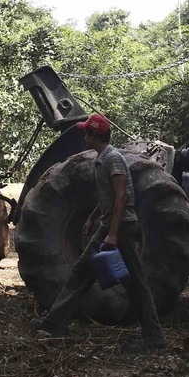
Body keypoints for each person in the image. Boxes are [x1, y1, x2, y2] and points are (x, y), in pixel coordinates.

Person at [31, 113, 168, 352]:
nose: (84, 136)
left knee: (137, 281)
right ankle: (54, 324)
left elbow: (122, 196)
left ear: (94, 135)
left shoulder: (113, 160)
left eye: (86, 132)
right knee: (81, 273)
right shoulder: (102, 159)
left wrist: (113, 234)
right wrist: (92, 217)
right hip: (107, 224)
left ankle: (154, 337)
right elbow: (106, 196)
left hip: (122, 226)